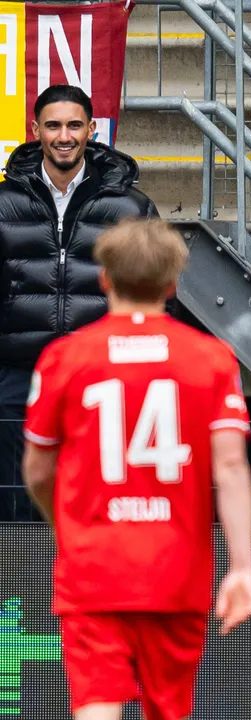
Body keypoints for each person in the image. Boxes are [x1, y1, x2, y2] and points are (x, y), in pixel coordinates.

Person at [21, 218, 251, 720]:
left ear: (103, 279)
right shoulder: (211, 358)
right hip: (176, 571)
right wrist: (242, 567)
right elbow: (230, 467)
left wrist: (67, 528)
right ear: (173, 284)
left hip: (94, 567)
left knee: (95, 718)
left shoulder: (65, 357)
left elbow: (38, 469)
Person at [0, 85, 157, 521]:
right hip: (19, 374)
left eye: (74, 125)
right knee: (19, 497)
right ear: (35, 130)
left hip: (102, 373)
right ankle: (20, 570)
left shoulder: (130, 206)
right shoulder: (4, 203)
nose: (64, 136)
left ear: (91, 129)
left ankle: (90, 569)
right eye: (53, 126)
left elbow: (154, 295)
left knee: (96, 495)